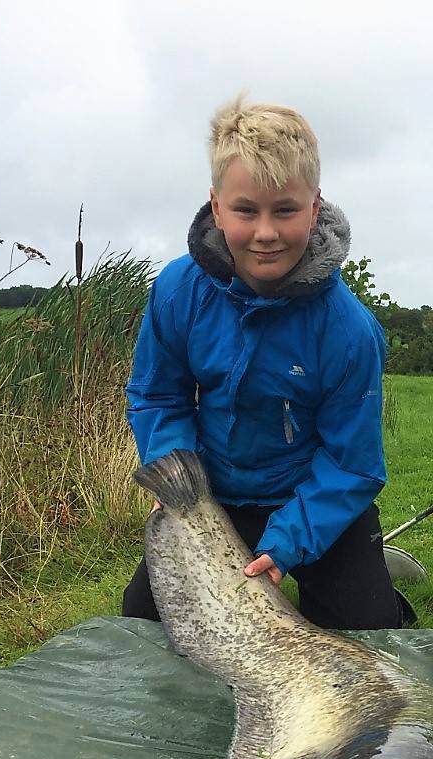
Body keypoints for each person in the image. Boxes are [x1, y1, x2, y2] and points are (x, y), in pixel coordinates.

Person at [122, 97, 402, 631]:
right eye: (246, 210)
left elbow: (353, 465)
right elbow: (159, 396)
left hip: (314, 499)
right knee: (142, 622)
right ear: (216, 206)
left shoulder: (350, 330)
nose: (266, 232)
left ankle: (377, 588)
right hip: (213, 497)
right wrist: (180, 486)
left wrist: (287, 541)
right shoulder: (178, 290)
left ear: (315, 208)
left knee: (368, 630)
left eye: (286, 211)